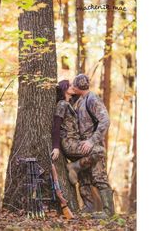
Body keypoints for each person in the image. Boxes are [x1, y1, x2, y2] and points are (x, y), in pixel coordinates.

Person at [51, 79, 105, 214]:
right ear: (64, 89)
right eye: (70, 86)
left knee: (84, 174)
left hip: (75, 142)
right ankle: (73, 166)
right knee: (99, 150)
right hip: (69, 143)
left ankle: (88, 207)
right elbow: (56, 126)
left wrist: (76, 89)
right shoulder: (62, 104)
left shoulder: (71, 103)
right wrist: (56, 146)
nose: (73, 87)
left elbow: (79, 93)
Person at [69, 73, 115, 219]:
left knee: (99, 177)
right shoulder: (80, 100)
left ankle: (109, 212)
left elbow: (105, 120)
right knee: (84, 178)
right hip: (83, 146)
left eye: (74, 85)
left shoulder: (92, 99)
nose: (72, 87)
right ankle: (88, 208)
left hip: (93, 146)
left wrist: (92, 141)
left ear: (78, 86)